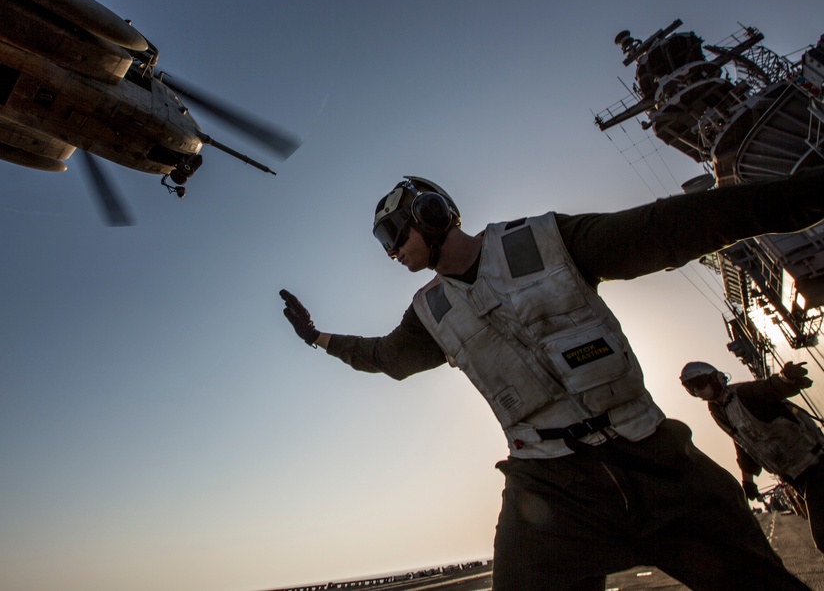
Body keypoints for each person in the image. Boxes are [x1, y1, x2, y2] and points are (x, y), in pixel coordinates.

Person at [280, 173, 824, 591]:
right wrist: (317, 338)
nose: (392, 251)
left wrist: (806, 196)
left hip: (657, 458)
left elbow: (668, 228)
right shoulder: (430, 312)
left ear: (432, 212)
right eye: (385, 242)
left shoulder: (546, 240)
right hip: (548, 490)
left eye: (395, 233)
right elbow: (387, 358)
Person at [681, 359, 824, 552]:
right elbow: (743, 445)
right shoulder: (718, 412)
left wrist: (787, 378)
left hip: (815, 465)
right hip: (795, 476)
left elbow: (771, 388)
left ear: (715, 379)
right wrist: (747, 481)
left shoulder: (744, 393)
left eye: (699, 384)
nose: (697, 391)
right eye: (691, 388)